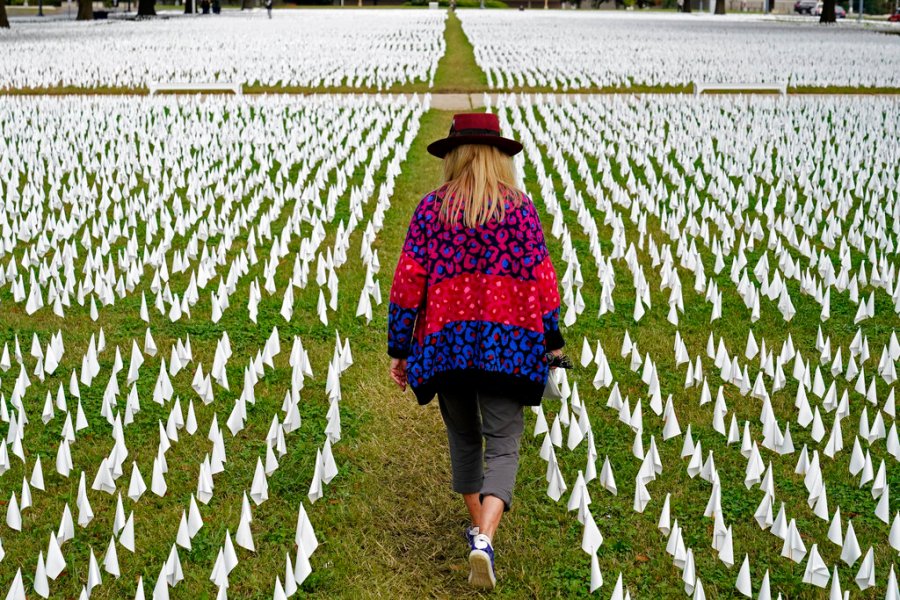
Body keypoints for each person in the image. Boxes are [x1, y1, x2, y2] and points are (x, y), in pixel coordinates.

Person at [387, 113, 565, 590]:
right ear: (498, 157)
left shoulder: (430, 210)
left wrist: (399, 348)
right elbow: (544, 282)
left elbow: (407, 284)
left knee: (464, 439)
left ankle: (478, 532)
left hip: (446, 348)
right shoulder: (521, 210)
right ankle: (484, 536)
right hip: (508, 347)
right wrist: (552, 340)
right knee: (504, 444)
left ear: (454, 156)